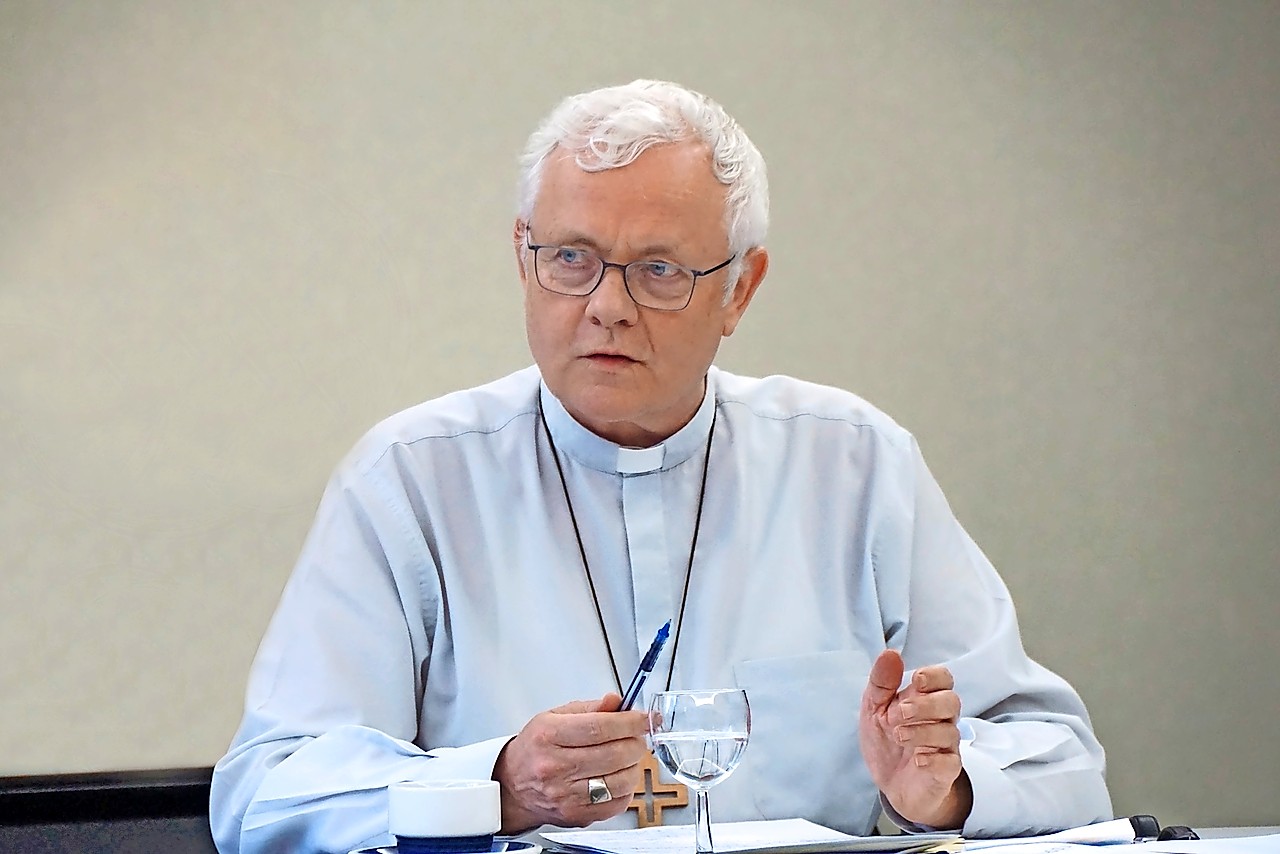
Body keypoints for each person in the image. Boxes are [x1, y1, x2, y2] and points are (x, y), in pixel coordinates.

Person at [210, 79, 1112, 854]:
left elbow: (1058, 756)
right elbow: (265, 791)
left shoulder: (855, 466)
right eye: (571, 259)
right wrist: (497, 781)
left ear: (740, 290)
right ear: (521, 260)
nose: (606, 306)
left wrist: (943, 793)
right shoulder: (411, 481)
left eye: (657, 270)